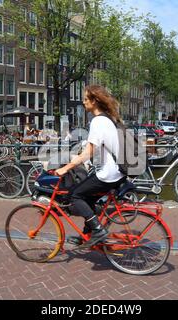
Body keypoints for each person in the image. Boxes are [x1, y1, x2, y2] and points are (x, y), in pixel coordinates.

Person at [55, 85, 126, 248]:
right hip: (116, 172)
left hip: (109, 174)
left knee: (75, 195)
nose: (83, 102)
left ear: (94, 101)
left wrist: (66, 168)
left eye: (86, 99)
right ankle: (87, 235)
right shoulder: (107, 119)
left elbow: (88, 153)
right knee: (87, 197)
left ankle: (98, 230)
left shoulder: (98, 121)